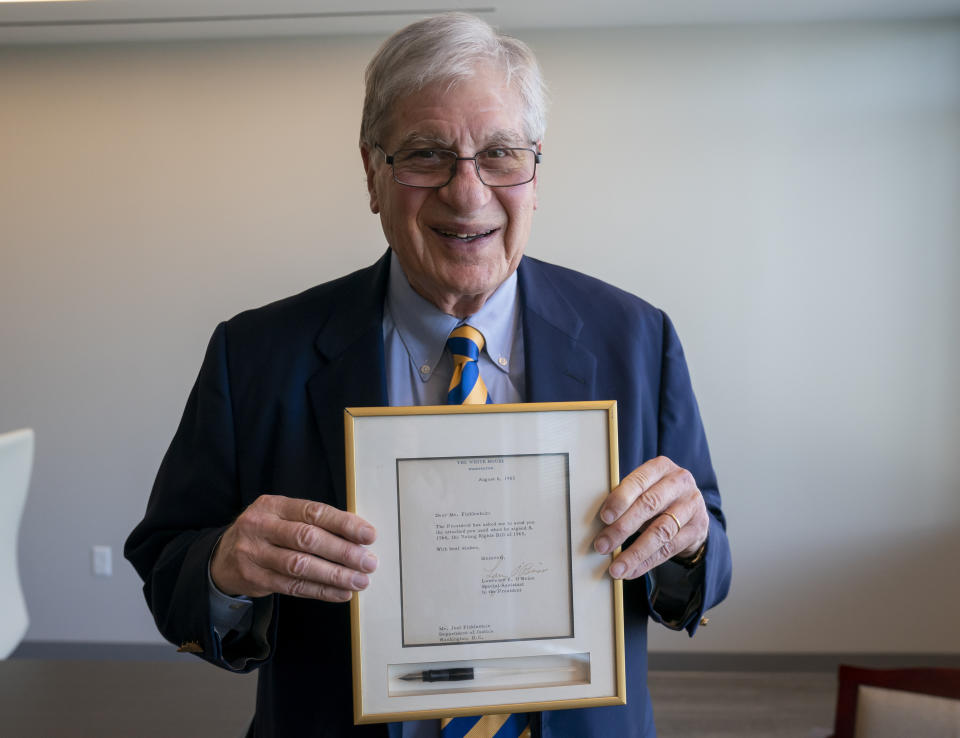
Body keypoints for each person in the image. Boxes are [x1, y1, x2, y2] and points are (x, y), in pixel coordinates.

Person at [125, 13, 731, 738]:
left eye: (500, 154)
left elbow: (705, 565)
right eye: (426, 154)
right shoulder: (255, 353)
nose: (466, 192)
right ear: (372, 173)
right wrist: (224, 569)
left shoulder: (636, 337)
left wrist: (690, 541)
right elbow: (169, 569)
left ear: (536, 173)